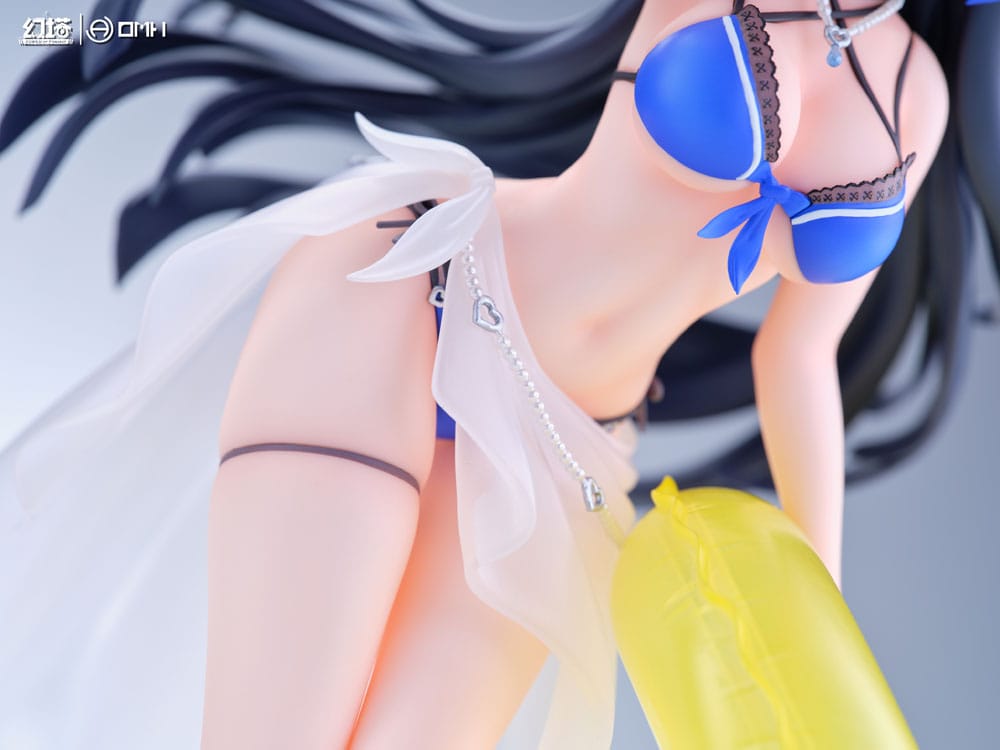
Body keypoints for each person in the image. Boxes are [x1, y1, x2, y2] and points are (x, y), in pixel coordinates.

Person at [0, 1, 995, 748]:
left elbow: (800, 355)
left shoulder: (919, 99)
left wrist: (810, 613)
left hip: (570, 446)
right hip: (418, 288)